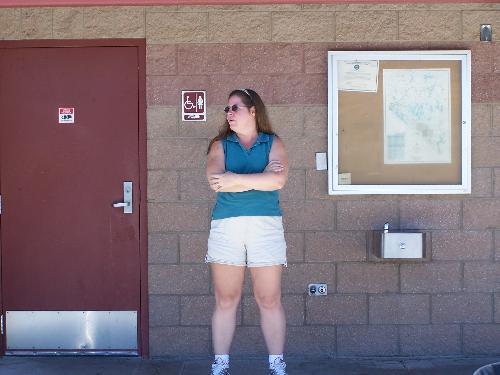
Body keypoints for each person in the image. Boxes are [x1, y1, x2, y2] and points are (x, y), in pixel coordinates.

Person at [206, 89, 289, 375]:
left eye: (235, 108)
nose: (229, 113)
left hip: (266, 226)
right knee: (226, 299)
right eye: (226, 109)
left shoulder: (272, 142)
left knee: (269, 298)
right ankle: (221, 365)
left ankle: (277, 365)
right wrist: (259, 178)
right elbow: (217, 183)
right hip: (226, 226)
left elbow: (278, 180)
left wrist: (236, 179)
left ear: (253, 111)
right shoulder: (220, 145)